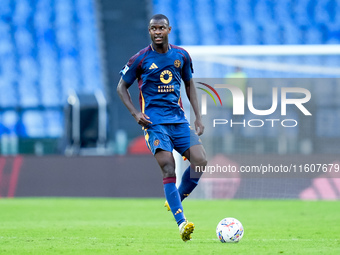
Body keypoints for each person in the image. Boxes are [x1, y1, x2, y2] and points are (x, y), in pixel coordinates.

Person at [117, 14, 207, 242]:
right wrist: (135, 113)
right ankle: (182, 223)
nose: (157, 32)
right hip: (154, 123)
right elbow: (121, 87)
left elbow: (189, 85)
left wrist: (197, 116)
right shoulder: (140, 59)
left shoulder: (181, 56)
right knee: (168, 167)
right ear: (149, 31)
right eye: (153, 29)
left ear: (169, 30)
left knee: (201, 160)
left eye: (161, 28)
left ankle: (174, 198)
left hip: (178, 121)